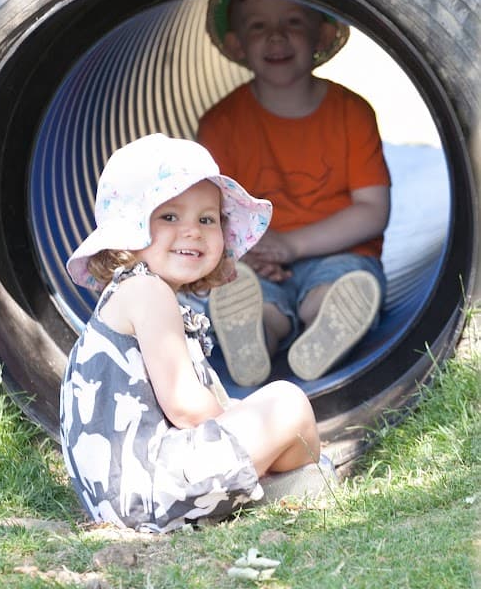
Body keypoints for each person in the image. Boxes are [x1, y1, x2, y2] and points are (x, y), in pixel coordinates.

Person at [60, 133, 332, 533]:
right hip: (151, 492)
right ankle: (281, 481)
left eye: (207, 219)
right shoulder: (148, 292)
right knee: (286, 403)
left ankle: (271, 479)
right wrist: (237, 429)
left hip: (129, 495)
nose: (192, 231)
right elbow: (186, 406)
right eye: (169, 217)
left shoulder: (133, 293)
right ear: (129, 229)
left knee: (256, 410)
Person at [198, 0, 391, 386]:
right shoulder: (221, 123)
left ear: (320, 35)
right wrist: (245, 255)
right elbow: (210, 211)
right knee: (255, 300)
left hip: (339, 252)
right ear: (236, 44)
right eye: (258, 26)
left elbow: (373, 209)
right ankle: (253, 339)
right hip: (256, 259)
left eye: (293, 23)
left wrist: (292, 245)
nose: (276, 37)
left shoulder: (352, 113)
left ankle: (326, 333)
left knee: (340, 289)